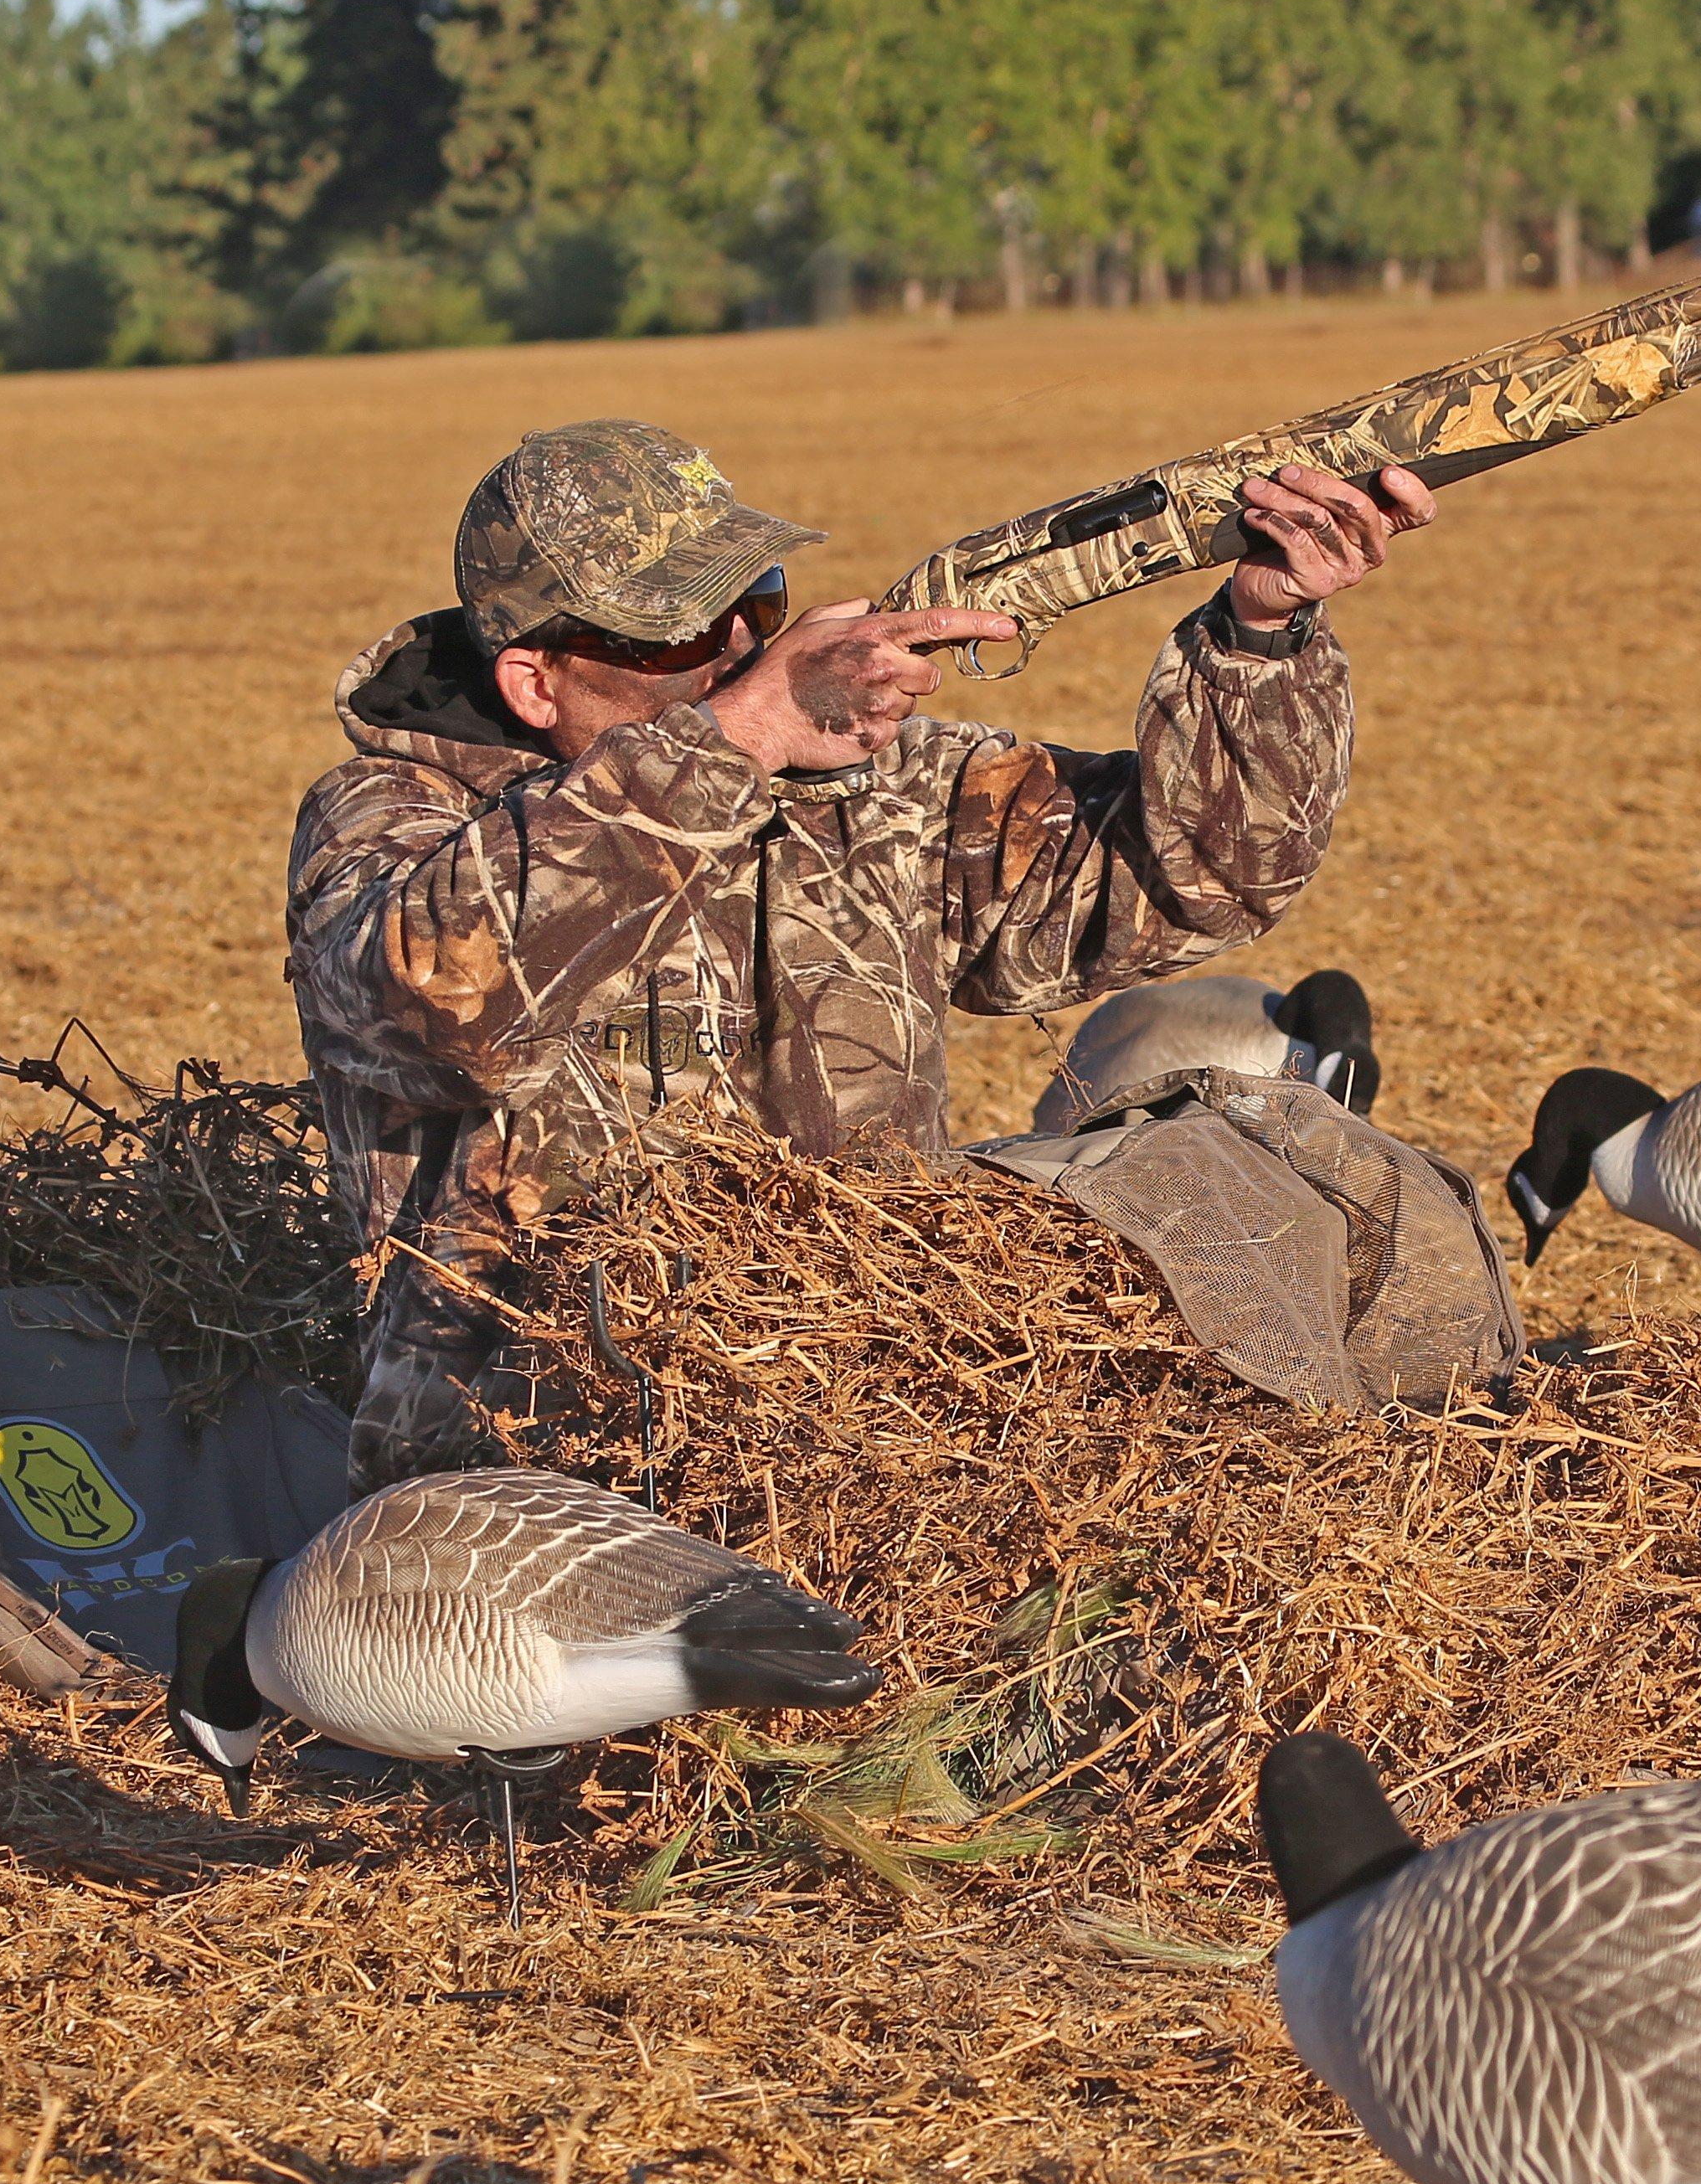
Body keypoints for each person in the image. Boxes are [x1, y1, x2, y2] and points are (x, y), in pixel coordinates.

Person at [290, 418, 1430, 1481]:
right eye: (681, 632)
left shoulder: (867, 790)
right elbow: (449, 1006)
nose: (738, 650)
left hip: (878, 1425)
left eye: (754, 602)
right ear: (535, 681)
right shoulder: (393, 818)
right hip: (557, 1465)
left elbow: (1196, 884)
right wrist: (738, 738)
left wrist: (1261, 635)